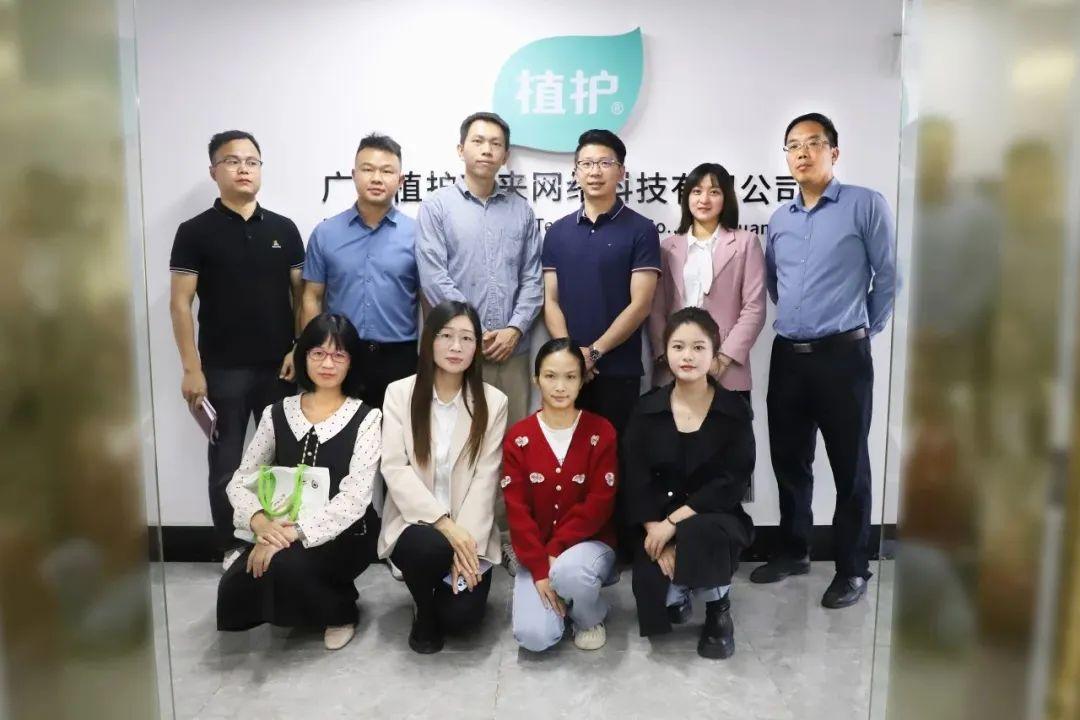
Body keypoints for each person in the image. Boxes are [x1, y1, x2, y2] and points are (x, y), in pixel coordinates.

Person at [753, 112, 897, 609]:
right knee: (789, 458)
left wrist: (862, 329)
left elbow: (888, 276)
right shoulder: (780, 219)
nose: (802, 153)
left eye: (813, 143)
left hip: (843, 356)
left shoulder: (865, 204)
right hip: (789, 354)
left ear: (833, 152)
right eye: (793, 145)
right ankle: (794, 550)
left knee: (849, 464)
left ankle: (853, 568)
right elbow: (775, 282)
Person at [169, 130, 304, 559]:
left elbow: (302, 296)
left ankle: (282, 543)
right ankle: (230, 546)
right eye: (232, 161)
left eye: (252, 161)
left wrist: (298, 348)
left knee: (284, 461)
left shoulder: (284, 229)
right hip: (221, 370)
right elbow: (180, 303)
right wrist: (191, 368)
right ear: (214, 171)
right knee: (226, 465)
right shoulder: (195, 232)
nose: (243, 169)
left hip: (279, 368)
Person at [217, 314, 381, 650]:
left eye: (338, 355)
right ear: (304, 356)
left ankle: (340, 610)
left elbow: (354, 499)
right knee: (236, 586)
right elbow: (241, 479)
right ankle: (305, 599)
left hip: (347, 532)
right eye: (318, 353)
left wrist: (293, 534)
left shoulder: (367, 418)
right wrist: (261, 525)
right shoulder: (277, 413)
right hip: (280, 524)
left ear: (351, 362)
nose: (327, 364)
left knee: (287, 566)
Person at [622, 307, 755, 659]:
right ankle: (680, 591)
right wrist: (657, 532)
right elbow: (635, 478)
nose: (688, 356)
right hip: (657, 518)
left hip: (716, 517)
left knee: (701, 533)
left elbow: (733, 481)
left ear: (714, 353)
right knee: (657, 594)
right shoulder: (646, 409)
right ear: (665, 352)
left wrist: (674, 524)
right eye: (678, 346)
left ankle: (718, 609)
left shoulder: (734, 410)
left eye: (699, 347)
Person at [378, 301, 509, 654]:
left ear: (477, 347)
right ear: (429, 341)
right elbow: (394, 467)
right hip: (415, 525)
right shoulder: (399, 393)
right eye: (446, 335)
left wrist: (464, 542)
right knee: (427, 547)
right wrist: (443, 525)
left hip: (469, 532)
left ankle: (440, 591)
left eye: (467, 338)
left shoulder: (493, 401)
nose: (456, 347)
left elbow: (486, 479)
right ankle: (423, 609)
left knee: (462, 619)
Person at [416, 111, 543, 425]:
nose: (487, 150)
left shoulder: (521, 210)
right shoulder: (437, 206)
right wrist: (473, 331)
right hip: (456, 349)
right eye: (478, 141)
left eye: (495, 144)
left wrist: (514, 329)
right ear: (461, 149)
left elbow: (533, 278)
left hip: (512, 351)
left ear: (505, 156)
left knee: (512, 438)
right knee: (456, 438)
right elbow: (434, 278)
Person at [541, 128, 660, 436]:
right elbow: (550, 300)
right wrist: (572, 357)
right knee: (566, 453)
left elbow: (641, 304)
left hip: (619, 369)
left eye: (605, 163)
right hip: (566, 373)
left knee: (616, 455)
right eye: (587, 164)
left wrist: (593, 353)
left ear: (621, 172)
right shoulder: (557, 232)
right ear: (575, 173)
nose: (595, 172)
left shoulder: (642, 230)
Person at [503, 339, 618, 652]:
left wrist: (556, 550)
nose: (560, 387)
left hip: (588, 547)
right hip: (536, 552)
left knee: (571, 574)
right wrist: (540, 569)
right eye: (550, 376)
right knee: (533, 637)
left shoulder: (601, 431)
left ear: (582, 381)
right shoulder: (519, 437)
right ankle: (564, 601)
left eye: (570, 377)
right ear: (536, 379)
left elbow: (600, 504)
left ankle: (589, 616)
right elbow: (517, 511)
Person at [301, 133, 419, 409]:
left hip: (399, 357)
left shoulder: (417, 235)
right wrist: (313, 351)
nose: (376, 178)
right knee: (338, 431)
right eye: (368, 169)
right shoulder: (326, 233)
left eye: (386, 171)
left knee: (395, 433)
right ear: (354, 176)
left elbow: (427, 301)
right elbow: (311, 296)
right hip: (340, 354)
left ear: (401, 180)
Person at [648, 162, 766, 394]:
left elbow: (754, 308)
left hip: (726, 371)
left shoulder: (746, 243)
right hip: (673, 370)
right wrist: (667, 355)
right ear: (687, 197)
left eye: (714, 192)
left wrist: (722, 359)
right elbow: (656, 309)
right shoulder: (668, 247)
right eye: (697, 191)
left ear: (726, 198)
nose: (704, 199)